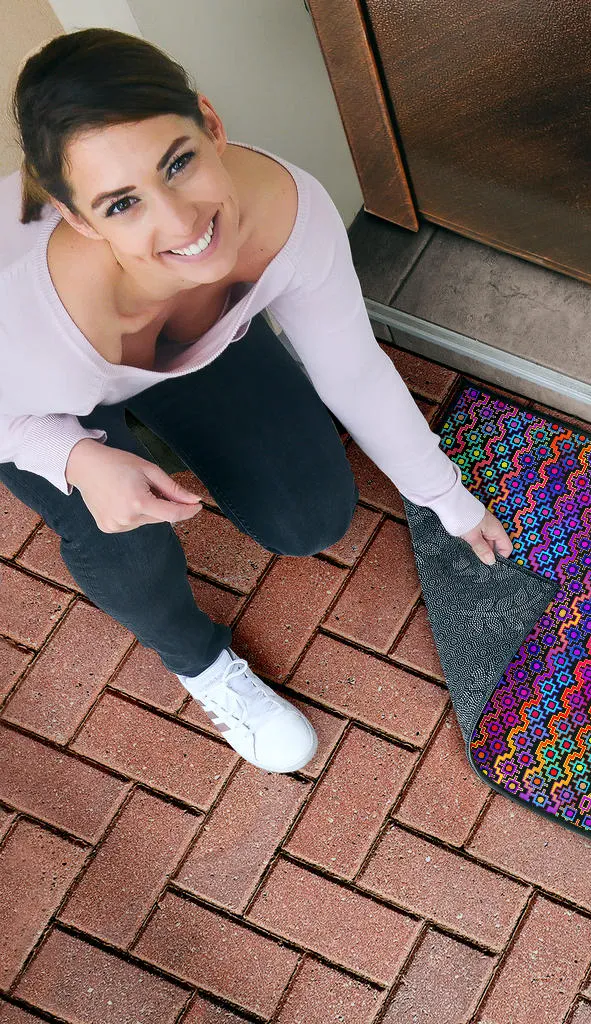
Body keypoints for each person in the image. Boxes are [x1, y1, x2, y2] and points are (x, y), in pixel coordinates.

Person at [1, 28, 513, 775]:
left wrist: (445, 497)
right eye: (121, 204)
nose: (180, 224)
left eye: (178, 162)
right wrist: (77, 457)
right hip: (37, 402)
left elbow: (352, 368)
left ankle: (168, 412)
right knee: (125, 538)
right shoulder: (32, 314)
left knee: (310, 518)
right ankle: (200, 664)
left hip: (191, 348)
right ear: (78, 220)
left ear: (211, 123)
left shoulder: (289, 212)